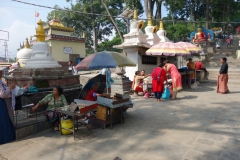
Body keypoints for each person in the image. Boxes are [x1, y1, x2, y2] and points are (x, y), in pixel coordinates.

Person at [0, 67, 16, 144]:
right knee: (4, 121)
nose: (2, 73)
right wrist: (10, 88)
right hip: (2, 103)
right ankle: (6, 138)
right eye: (1, 72)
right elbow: (2, 94)